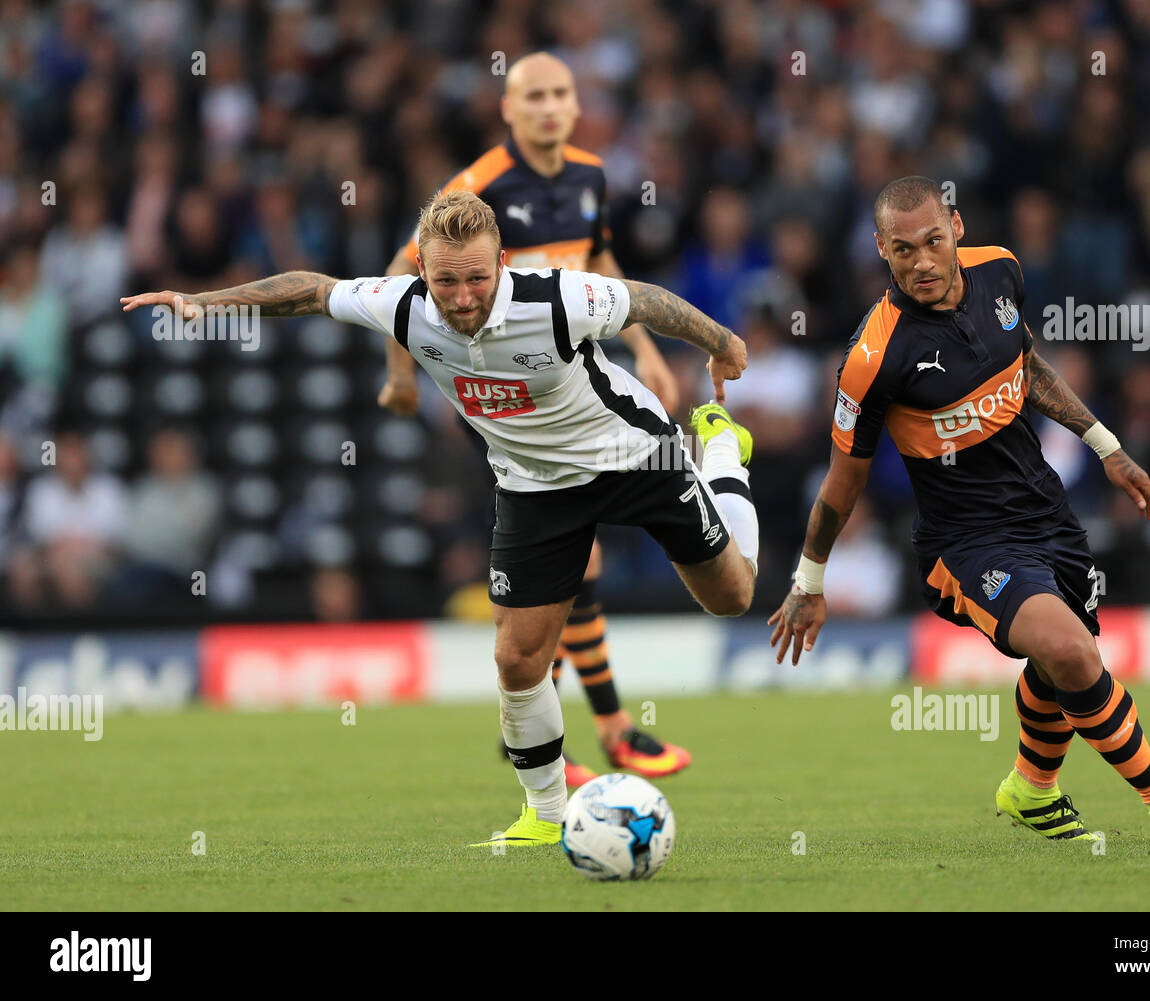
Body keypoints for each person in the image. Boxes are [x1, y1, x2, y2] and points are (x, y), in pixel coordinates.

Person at [122, 189, 761, 847]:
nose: (461, 297)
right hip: (536, 488)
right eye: (446, 279)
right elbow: (312, 290)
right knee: (517, 659)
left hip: (636, 458)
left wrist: (721, 342)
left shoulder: (556, 299)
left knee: (733, 595)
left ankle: (720, 449)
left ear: (503, 264)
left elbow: (648, 299)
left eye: (477, 278)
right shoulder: (403, 305)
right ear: (422, 272)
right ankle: (544, 815)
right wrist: (204, 302)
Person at [768, 176, 1150, 849]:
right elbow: (841, 483)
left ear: (957, 229)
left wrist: (1106, 446)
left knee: (1061, 663)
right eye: (903, 248)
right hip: (965, 544)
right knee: (1069, 649)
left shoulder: (1001, 270)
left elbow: (1027, 368)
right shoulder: (872, 358)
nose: (922, 262)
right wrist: (809, 580)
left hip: (1046, 512)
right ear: (881, 248)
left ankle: (1031, 786)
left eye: (933, 241)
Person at [377, 52, 689, 786]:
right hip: (500, 390)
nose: (549, 107)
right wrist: (400, 374)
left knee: (578, 560)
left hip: (570, 383)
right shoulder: (479, 186)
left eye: (560, 94)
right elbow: (401, 269)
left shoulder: (589, 175)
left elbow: (600, 261)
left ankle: (563, 722)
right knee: (576, 556)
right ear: (508, 110)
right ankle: (597, 724)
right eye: (533, 97)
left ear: (576, 106)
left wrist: (642, 345)